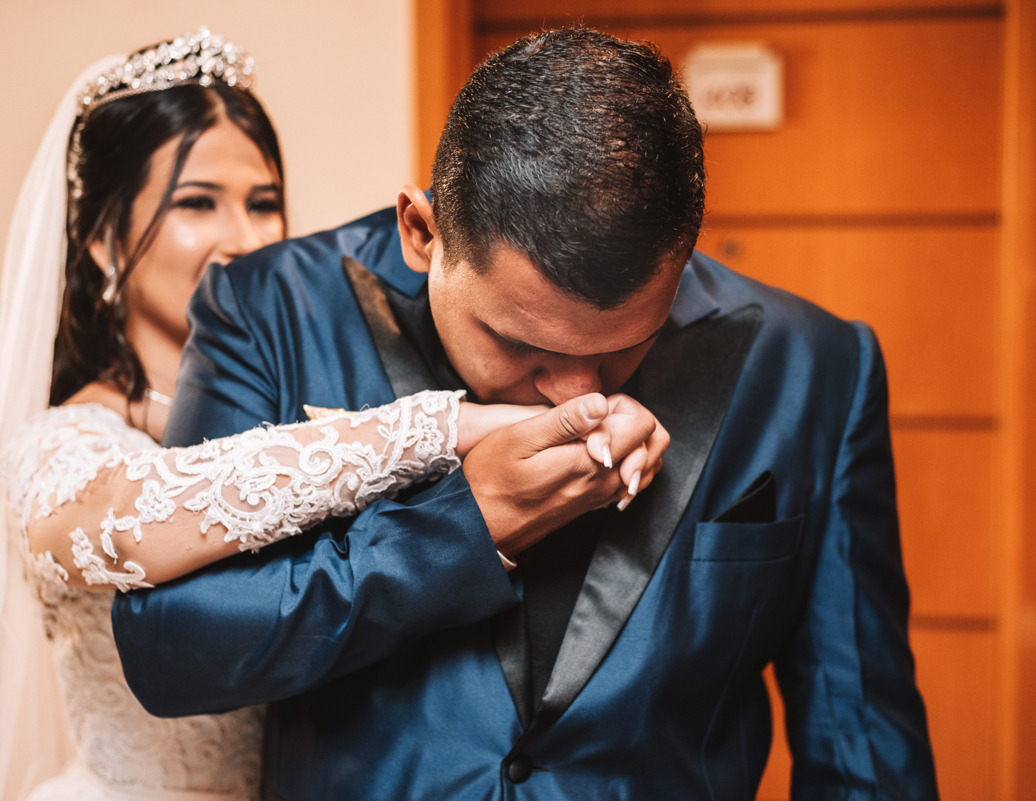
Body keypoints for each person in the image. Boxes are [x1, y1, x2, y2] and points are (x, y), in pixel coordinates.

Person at [114, 27, 940, 800]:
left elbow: (863, 742)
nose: (578, 397)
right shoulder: (270, 309)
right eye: (519, 344)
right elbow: (168, 651)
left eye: (624, 347)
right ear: (422, 231)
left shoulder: (814, 364)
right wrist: (466, 526)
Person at [0, 28, 650, 801]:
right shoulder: (59, 441)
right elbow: (132, 521)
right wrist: (442, 427)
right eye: (197, 203)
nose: (245, 236)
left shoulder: (297, 398)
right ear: (102, 241)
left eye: (263, 202)